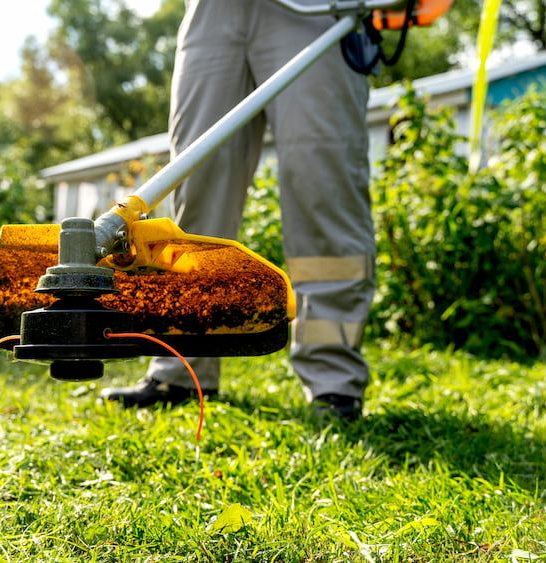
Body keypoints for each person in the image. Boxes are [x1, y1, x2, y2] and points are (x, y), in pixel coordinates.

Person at [101, 0, 375, 421]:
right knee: (197, 187)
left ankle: (333, 377)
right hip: (214, 12)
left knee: (323, 192)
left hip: (316, 8)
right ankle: (182, 367)